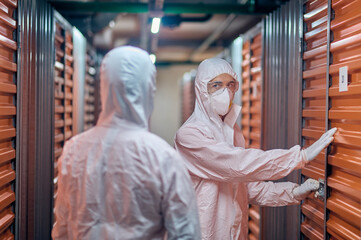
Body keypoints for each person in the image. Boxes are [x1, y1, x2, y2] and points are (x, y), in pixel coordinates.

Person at [174, 58, 337, 240]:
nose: (225, 92)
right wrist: (299, 156)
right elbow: (237, 165)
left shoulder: (231, 131)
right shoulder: (189, 135)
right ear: (201, 89)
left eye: (230, 85)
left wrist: (293, 192)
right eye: (216, 85)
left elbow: (246, 188)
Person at [52, 46, 201, 240]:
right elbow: (186, 233)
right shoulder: (163, 158)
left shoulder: (74, 150)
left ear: (105, 87)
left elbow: (62, 227)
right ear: (147, 89)